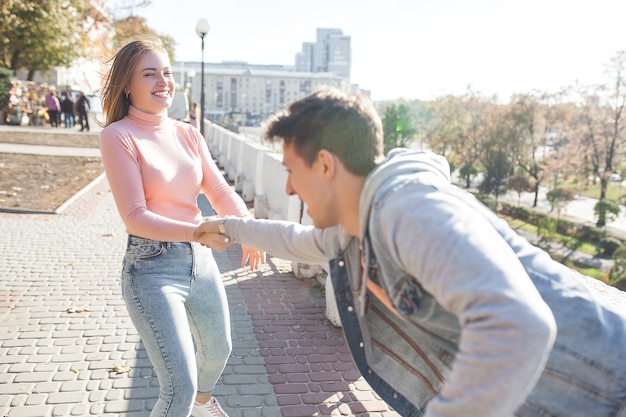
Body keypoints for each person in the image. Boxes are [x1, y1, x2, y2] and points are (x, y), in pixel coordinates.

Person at [194, 87, 626, 417]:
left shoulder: (407, 209)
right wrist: (229, 228)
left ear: (325, 165)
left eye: (291, 171)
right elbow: (295, 239)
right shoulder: (354, 230)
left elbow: (519, 325)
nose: (288, 187)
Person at [99, 37, 265, 417]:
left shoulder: (187, 133)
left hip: (201, 264)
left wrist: (247, 230)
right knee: (178, 389)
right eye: (150, 73)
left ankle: (205, 404)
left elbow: (219, 189)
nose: (164, 81)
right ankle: (192, 401)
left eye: (168, 72)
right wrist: (195, 231)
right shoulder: (118, 136)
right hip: (151, 269)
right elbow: (135, 217)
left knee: (219, 350)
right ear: (127, 84)